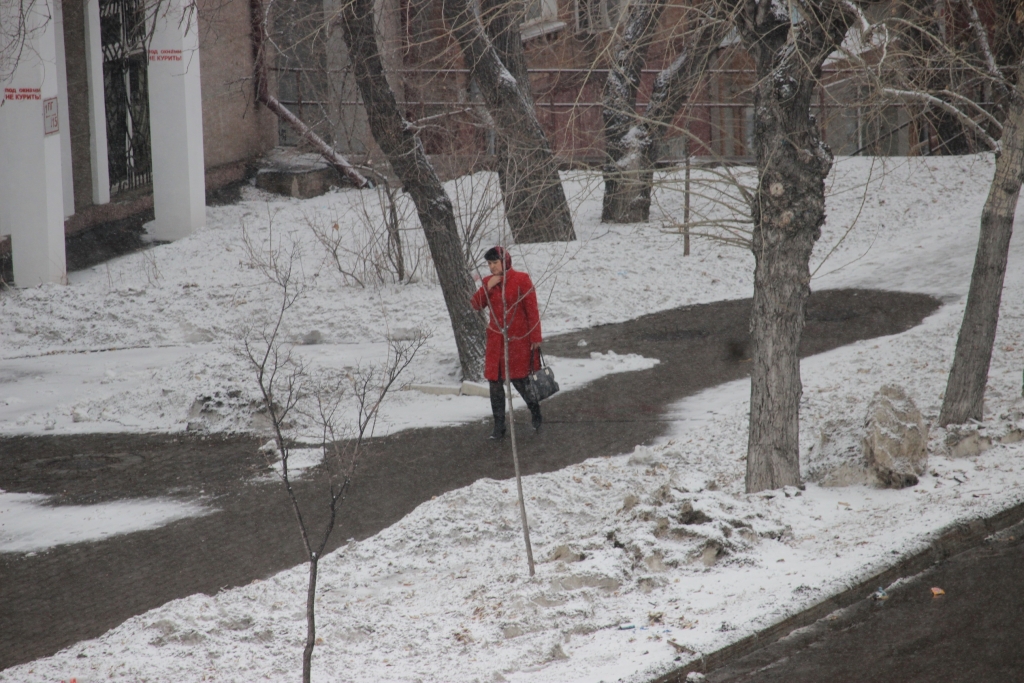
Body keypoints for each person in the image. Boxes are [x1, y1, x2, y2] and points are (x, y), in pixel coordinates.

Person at [470, 246, 543, 440]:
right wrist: (488, 287)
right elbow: (475, 305)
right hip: (496, 342)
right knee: (495, 384)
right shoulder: (488, 282)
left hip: (517, 340)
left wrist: (535, 338)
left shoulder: (521, 279)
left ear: (505, 261)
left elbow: (532, 310)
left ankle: (535, 412)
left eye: (495, 262)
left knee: (520, 381)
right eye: (489, 264)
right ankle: (499, 427)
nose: (492, 267)